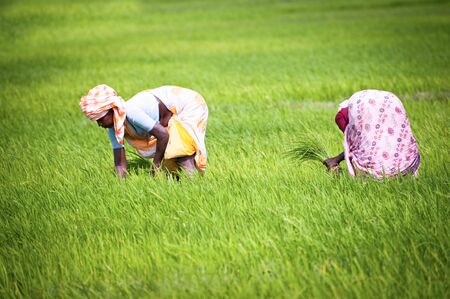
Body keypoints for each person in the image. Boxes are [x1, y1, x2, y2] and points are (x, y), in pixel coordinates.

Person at [80, 84, 208, 178]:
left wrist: (155, 165)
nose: (99, 124)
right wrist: (120, 184)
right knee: (169, 159)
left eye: (101, 119)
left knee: (180, 151)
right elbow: (119, 163)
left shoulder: (130, 112)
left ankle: (195, 185)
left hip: (188, 105)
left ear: (112, 110)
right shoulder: (115, 127)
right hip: (170, 115)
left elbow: (162, 135)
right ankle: (183, 187)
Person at [323, 90, 420, 178]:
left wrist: (336, 160)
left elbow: (358, 145)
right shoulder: (379, 107)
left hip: (377, 167)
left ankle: (380, 176)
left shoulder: (341, 116)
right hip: (407, 161)